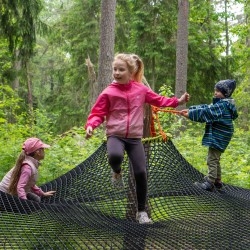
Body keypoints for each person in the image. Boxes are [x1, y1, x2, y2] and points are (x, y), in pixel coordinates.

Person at [85, 53, 190, 224]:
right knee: (115, 157)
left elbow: (158, 100)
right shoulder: (108, 92)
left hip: (134, 138)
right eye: (115, 69)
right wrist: (91, 125)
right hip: (115, 135)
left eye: (121, 70)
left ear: (131, 72)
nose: (117, 73)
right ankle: (116, 171)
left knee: (141, 172)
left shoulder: (140, 89)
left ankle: (141, 212)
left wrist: (177, 101)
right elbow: (98, 113)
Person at [180, 79, 238, 192]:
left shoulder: (222, 105)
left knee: (211, 159)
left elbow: (207, 113)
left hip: (219, 136)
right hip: (222, 135)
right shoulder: (223, 104)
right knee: (215, 159)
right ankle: (217, 181)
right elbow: (207, 108)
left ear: (225, 93)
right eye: (215, 90)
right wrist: (191, 110)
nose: (215, 93)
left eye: (219, 91)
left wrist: (190, 115)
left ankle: (210, 182)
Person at [0, 137, 56, 202]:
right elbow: (20, 187)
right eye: (43, 149)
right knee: (35, 203)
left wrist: (43, 194)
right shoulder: (27, 167)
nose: (44, 151)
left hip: (14, 192)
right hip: (4, 196)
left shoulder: (30, 163)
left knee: (37, 199)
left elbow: (30, 183)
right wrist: (25, 203)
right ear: (38, 152)